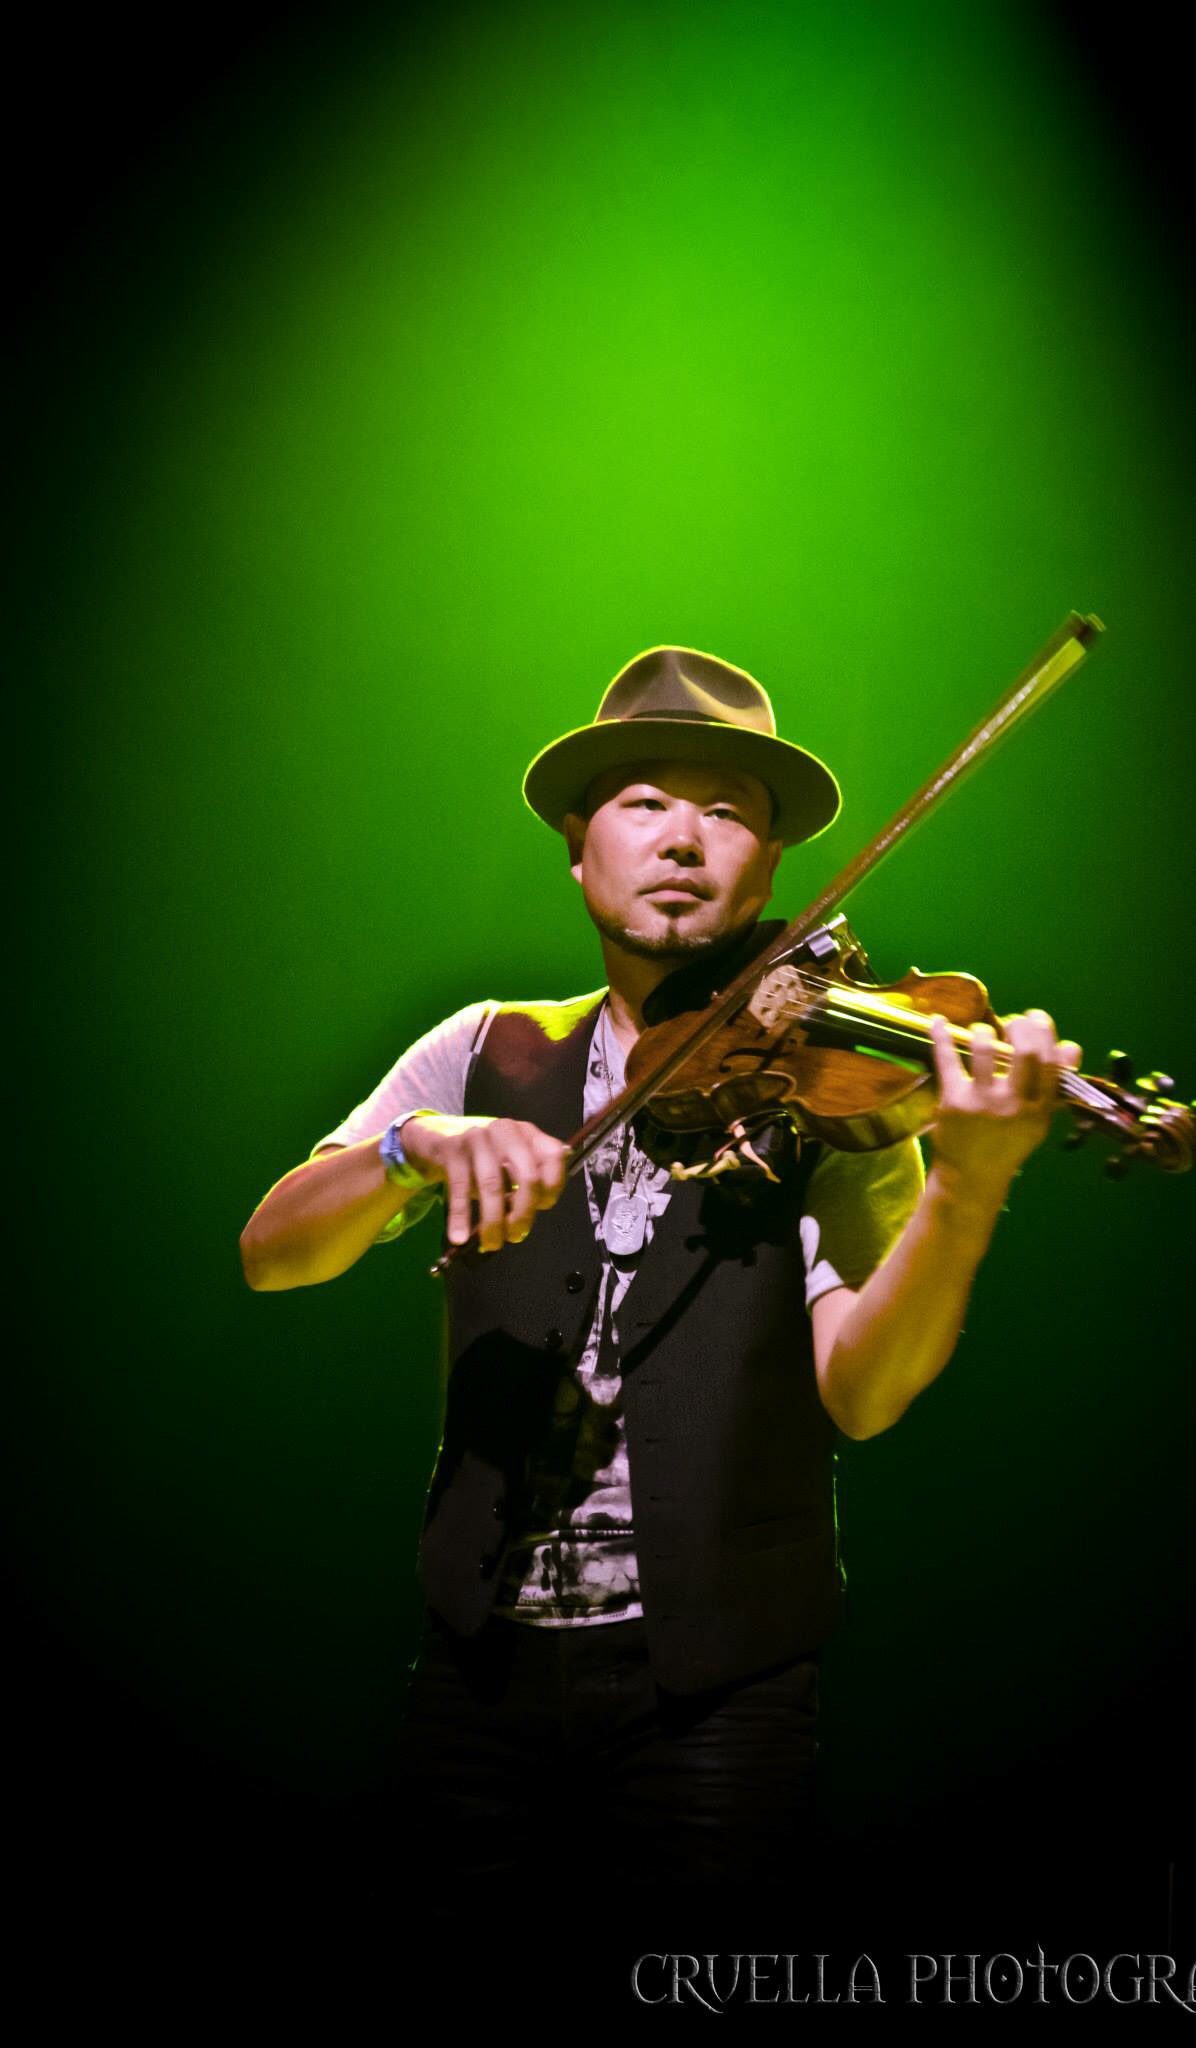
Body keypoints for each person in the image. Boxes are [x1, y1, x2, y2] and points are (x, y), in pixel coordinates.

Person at [239, 645, 1079, 1908]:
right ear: (579, 850)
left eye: (725, 811)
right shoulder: (482, 1048)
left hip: (721, 1692)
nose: (683, 838)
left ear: (771, 866)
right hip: (475, 1674)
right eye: (644, 803)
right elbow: (272, 1254)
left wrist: (967, 1185)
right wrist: (413, 1149)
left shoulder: (830, 1089)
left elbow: (865, 1391)